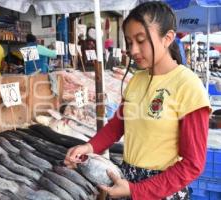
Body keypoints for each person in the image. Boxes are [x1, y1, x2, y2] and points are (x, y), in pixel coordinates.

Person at [64, 1, 211, 200]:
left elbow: (193, 164)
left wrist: (138, 191)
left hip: (162, 188)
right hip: (127, 181)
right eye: (129, 41)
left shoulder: (188, 86)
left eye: (141, 40)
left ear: (167, 38)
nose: (133, 50)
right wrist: (89, 147)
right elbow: (118, 125)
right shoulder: (137, 80)